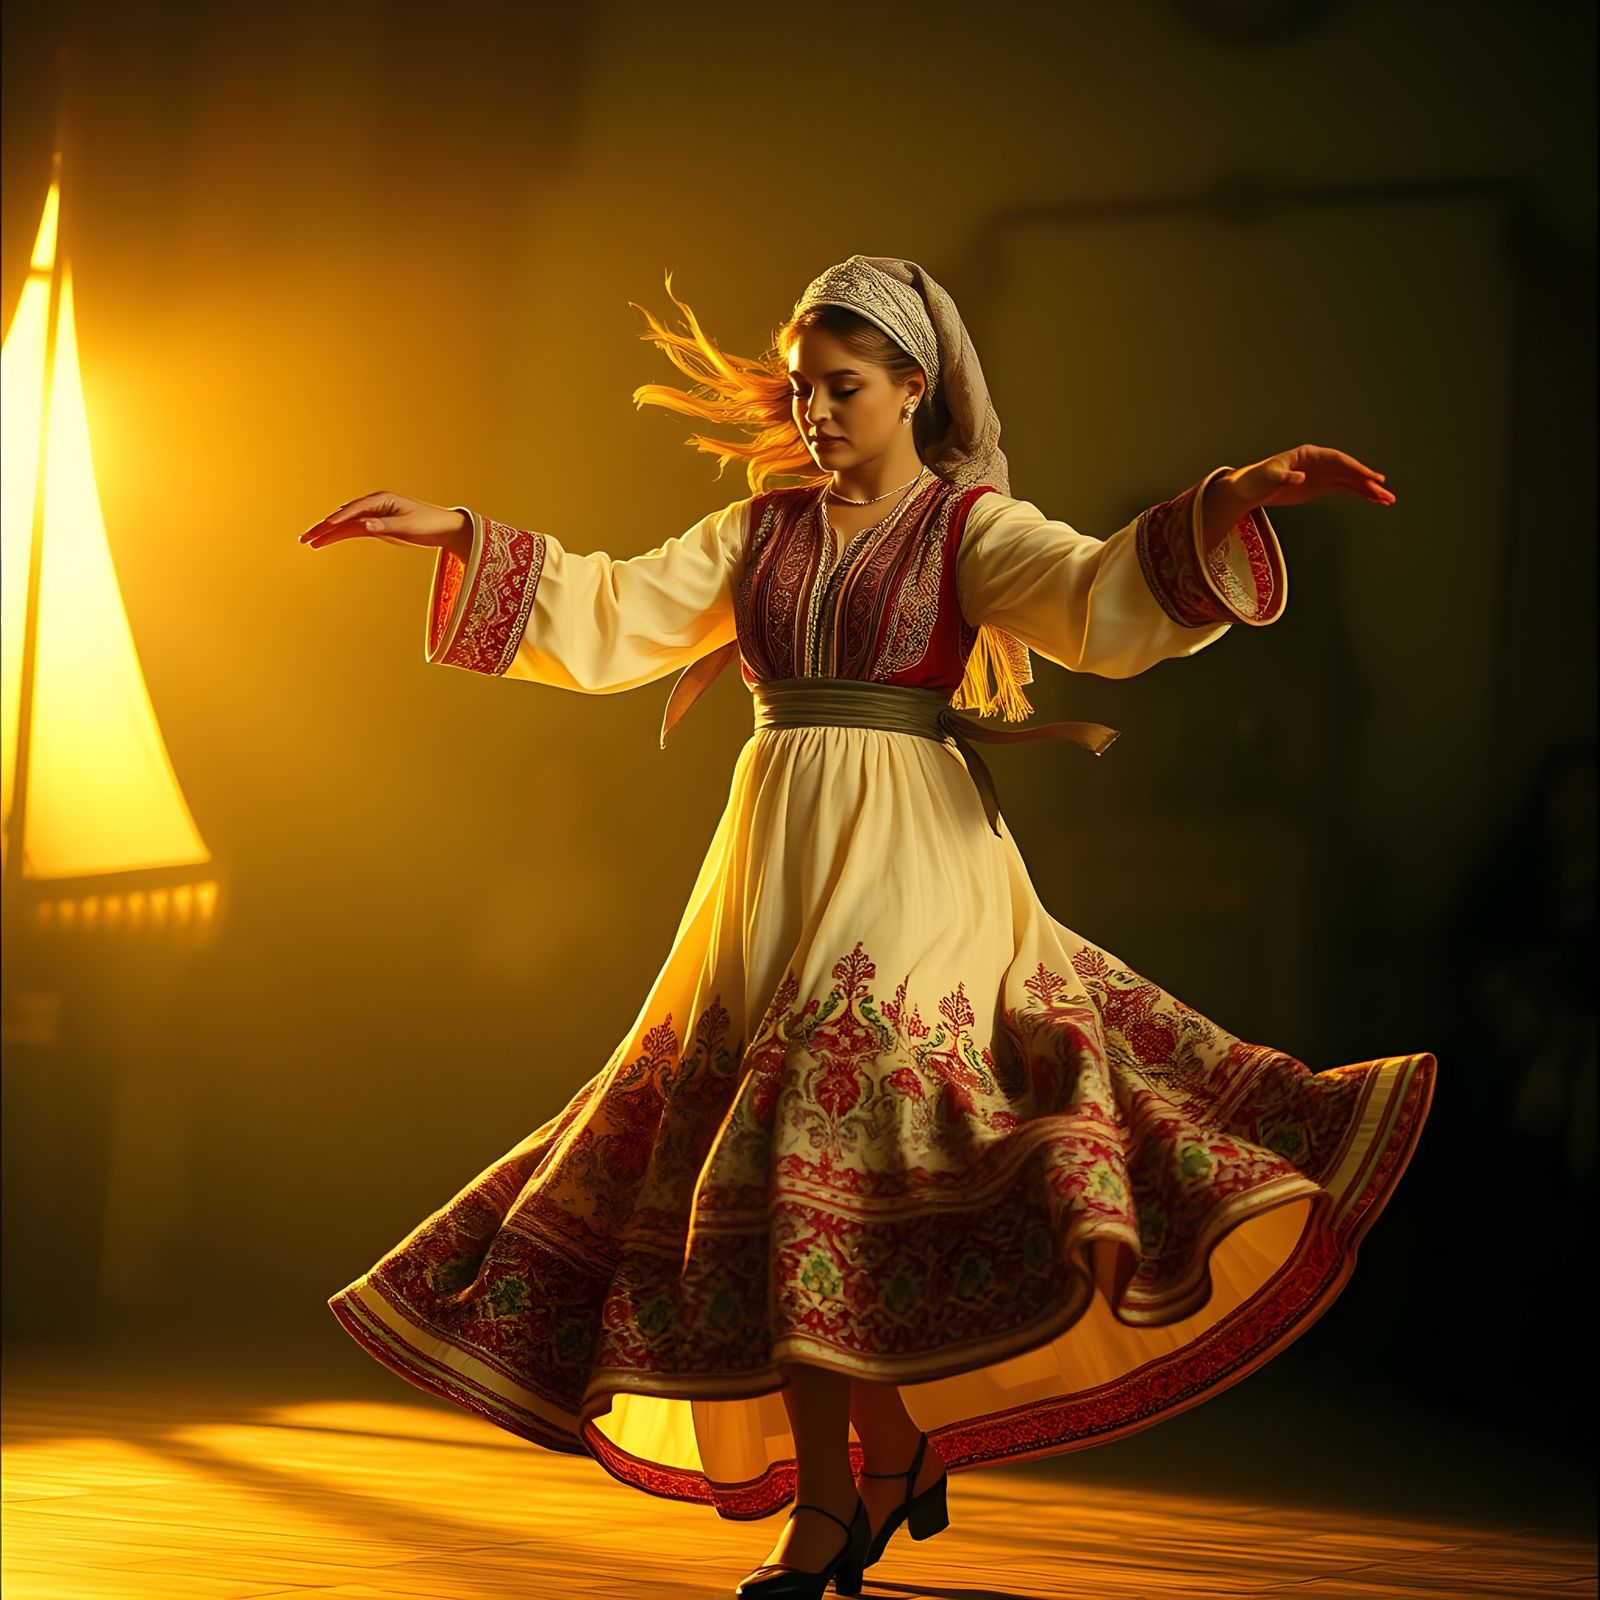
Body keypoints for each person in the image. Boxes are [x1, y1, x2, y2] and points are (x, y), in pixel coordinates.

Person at [302, 254, 1435, 1600]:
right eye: (802, 389)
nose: (817, 412)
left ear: (914, 387)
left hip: (915, 853)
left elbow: (1095, 597)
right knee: (807, 1172)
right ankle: (883, 1460)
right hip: (777, 849)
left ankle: (829, 1504)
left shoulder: (967, 528)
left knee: (818, 1129)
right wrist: (459, 534)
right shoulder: (759, 531)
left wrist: (1230, 500)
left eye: (843, 387)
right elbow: (617, 608)